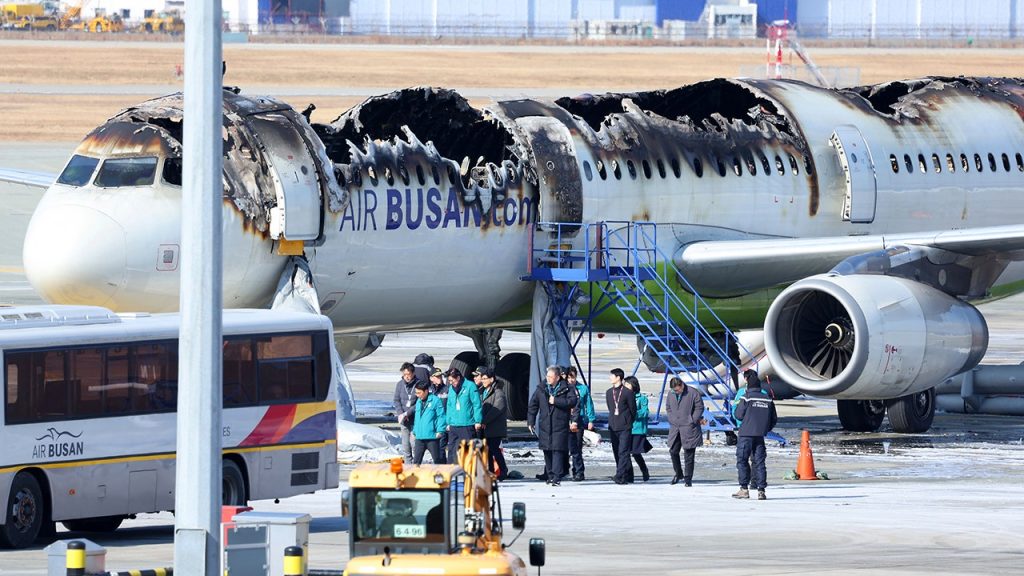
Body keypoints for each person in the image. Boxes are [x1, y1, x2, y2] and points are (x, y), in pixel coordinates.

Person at [527, 365, 577, 486]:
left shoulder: (567, 388)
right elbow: (533, 405)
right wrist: (531, 421)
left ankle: (556, 476)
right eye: (547, 376)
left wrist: (556, 401)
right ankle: (549, 475)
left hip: (559, 424)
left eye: (551, 376)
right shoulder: (542, 388)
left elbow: (572, 402)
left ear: (558, 377)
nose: (548, 379)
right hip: (545, 425)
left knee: (557, 451)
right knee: (547, 451)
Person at [733, 369, 778, 500]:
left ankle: (744, 489)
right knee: (759, 462)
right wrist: (764, 428)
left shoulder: (746, 397)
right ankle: (761, 490)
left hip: (746, 434)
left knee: (742, 460)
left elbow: (738, 415)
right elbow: (773, 418)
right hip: (760, 435)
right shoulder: (767, 399)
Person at [666, 376, 705, 486]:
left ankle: (688, 478)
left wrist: (692, 420)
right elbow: (668, 407)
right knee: (673, 451)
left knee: (689, 454)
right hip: (675, 428)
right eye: (675, 390)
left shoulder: (693, 392)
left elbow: (699, 407)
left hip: (689, 428)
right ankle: (678, 473)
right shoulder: (671, 394)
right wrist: (671, 418)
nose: (676, 392)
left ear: (682, 385)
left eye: (678, 390)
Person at [444, 367, 482, 464]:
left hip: (467, 424)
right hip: (454, 425)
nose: (451, 382)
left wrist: (478, 421)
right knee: (452, 451)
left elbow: (476, 404)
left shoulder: (470, 386)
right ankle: (451, 472)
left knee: (468, 451)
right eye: (449, 381)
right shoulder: (451, 389)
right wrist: (448, 422)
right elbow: (449, 406)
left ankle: (470, 473)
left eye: (452, 380)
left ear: (458, 377)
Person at [605, 368, 636, 485]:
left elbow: (633, 410)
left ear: (618, 377)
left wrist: (628, 421)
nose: (610, 378)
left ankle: (620, 475)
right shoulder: (609, 392)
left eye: (612, 376)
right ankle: (627, 474)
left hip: (625, 426)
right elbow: (610, 408)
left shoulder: (627, 392)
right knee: (617, 451)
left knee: (623, 451)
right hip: (613, 426)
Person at [477, 366, 509, 480]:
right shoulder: (483, 391)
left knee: (495, 450)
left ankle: (503, 470)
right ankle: (490, 471)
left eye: (485, 378)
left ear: (492, 379)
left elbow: (497, 408)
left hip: (495, 428)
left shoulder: (498, 392)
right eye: (483, 378)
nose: (483, 381)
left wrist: (484, 421)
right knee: (488, 451)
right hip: (487, 428)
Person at [566, 366, 595, 482]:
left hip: (579, 420)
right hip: (565, 421)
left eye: (573, 377)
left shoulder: (583, 389)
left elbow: (589, 404)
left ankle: (578, 471)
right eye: (569, 377)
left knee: (577, 448)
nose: (571, 380)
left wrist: (591, 420)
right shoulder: (564, 388)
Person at [410, 381, 446, 465]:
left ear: (426, 391)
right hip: (419, 437)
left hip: (432, 437)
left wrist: (440, 430)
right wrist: (415, 431)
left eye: (419, 393)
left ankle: (440, 476)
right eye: (416, 393)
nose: (417, 395)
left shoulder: (435, 400)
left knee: (437, 460)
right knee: (416, 462)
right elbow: (417, 418)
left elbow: (441, 416)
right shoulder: (418, 401)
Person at [392, 362, 420, 461]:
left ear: (413, 373)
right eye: (404, 375)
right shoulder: (400, 384)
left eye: (408, 374)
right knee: (405, 445)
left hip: (415, 419)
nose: (407, 377)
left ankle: (417, 464)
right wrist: (401, 413)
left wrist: (407, 413)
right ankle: (408, 466)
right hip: (403, 419)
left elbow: (419, 403)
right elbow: (396, 400)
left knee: (414, 443)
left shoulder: (418, 384)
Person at [626, 376, 650, 483]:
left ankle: (644, 470)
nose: (625, 386)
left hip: (637, 428)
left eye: (627, 384)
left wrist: (633, 413)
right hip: (626, 428)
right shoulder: (624, 396)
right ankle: (628, 473)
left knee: (635, 452)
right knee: (625, 452)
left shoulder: (642, 398)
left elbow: (645, 412)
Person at [428, 367, 449, 464]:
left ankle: (442, 469)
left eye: (440, 376)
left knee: (441, 449)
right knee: (433, 449)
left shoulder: (447, 390)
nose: (439, 378)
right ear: (431, 378)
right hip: (431, 424)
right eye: (436, 376)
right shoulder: (428, 391)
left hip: (442, 423)